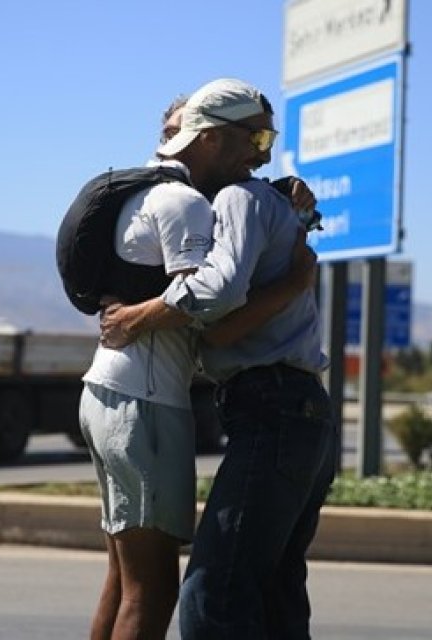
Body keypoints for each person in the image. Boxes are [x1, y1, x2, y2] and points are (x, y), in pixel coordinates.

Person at [99, 77, 338, 640]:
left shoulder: (238, 199)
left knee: (215, 595)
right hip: (300, 411)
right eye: (256, 140)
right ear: (208, 137)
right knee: (275, 596)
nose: (265, 155)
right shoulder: (249, 201)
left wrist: (138, 317)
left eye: (267, 141)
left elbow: (222, 299)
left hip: (274, 406)